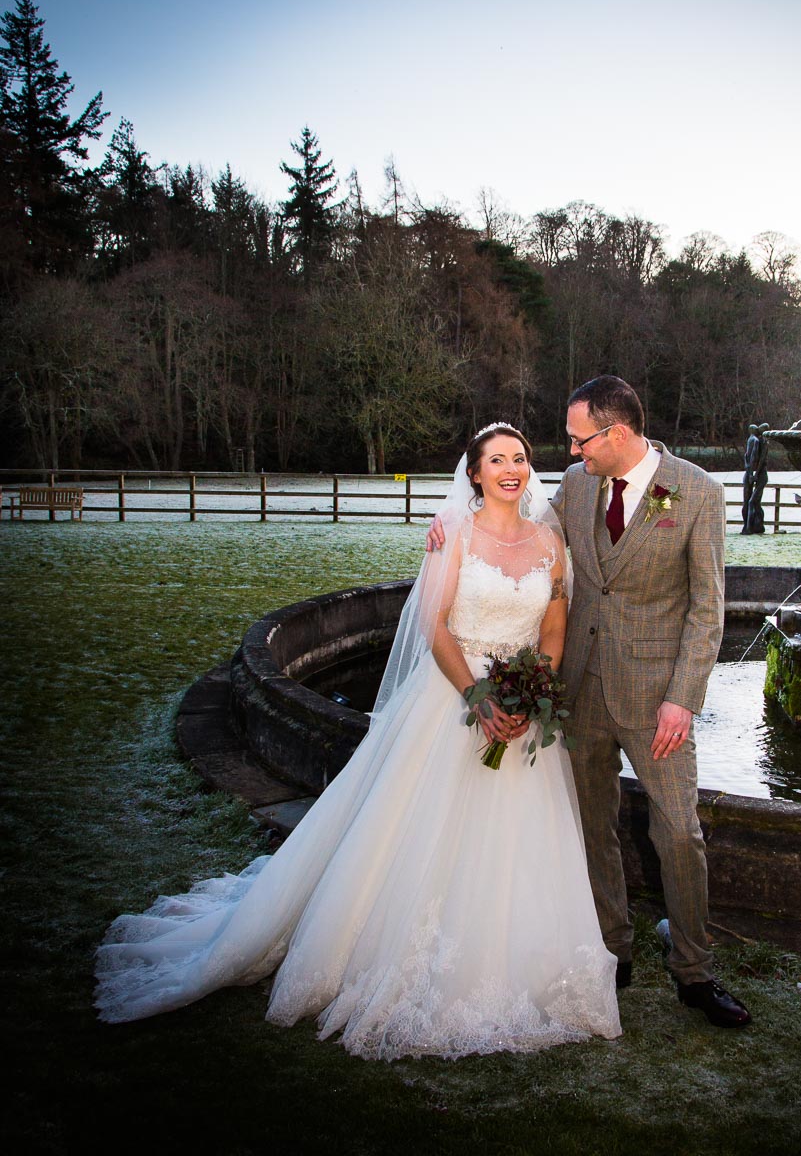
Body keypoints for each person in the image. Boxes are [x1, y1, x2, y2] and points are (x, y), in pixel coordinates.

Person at [95, 424, 621, 1060]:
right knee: (416, 833)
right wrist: (478, 699)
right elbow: (434, 626)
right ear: (475, 473)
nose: (511, 469)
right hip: (453, 700)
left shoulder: (550, 544)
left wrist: (531, 691)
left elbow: (555, 629)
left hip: (523, 708)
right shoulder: (453, 535)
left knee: (522, 840)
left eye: (520, 458)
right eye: (497, 460)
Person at [428, 378, 751, 1029]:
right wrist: (453, 521)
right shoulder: (578, 486)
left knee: (678, 832)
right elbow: (523, 536)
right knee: (590, 824)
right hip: (577, 690)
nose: (572, 452)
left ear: (617, 432)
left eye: (581, 439)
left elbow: (707, 609)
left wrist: (683, 699)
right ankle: (612, 948)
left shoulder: (696, 492)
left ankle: (693, 971)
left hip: (657, 701)